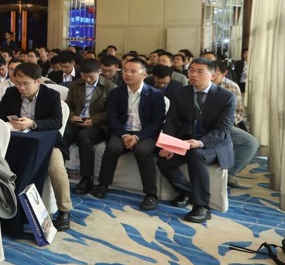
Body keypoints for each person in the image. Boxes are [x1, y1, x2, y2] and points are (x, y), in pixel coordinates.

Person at [157, 57, 236, 223]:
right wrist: (169, 144)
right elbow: (171, 120)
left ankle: (201, 206)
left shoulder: (226, 97)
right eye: (191, 70)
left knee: (196, 155)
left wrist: (200, 143)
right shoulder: (181, 93)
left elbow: (222, 130)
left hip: (213, 143)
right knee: (164, 161)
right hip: (186, 140)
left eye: (200, 71)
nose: (193, 75)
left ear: (212, 76)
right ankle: (187, 191)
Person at [0, 61, 70, 230]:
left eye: (26, 83)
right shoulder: (11, 92)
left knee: (57, 169)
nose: (21, 88)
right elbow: (0, 116)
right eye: (18, 83)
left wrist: (33, 123)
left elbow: (56, 122)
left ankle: (64, 210)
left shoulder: (51, 95)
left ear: (38, 81)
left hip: (48, 145)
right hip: (17, 144)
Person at [94, 58, 167, 210]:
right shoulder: (116, 93)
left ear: (144, 75)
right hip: (123, 131)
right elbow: (112, 118)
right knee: (112, 148)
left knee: (142, 150)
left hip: (145, 133)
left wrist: (138, 137)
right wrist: (124, 135)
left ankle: (151, 194)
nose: (127, 74)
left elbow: (157, 123)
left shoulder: (155, 95)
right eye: (125, 70)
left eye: (133, 71)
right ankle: (103, 184)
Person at [67, 59, 117, 195]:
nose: (87, 79)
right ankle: (58, 171)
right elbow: (68, 105)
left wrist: (92, 121)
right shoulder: (75, 85)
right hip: (77, 121)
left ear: (99, 72)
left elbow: (110, 111)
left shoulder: (110, 87)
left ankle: (86, 178)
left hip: (98, 125)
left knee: (84, 136)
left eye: (91, 76)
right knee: (62, 134)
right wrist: (73, 117)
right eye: (84, 76)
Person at [210, 60, 259, 185]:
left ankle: (229, 173)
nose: (211, 76)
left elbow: (238, 112)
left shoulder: (231, 87)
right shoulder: (195, 84)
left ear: (224, 73)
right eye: (209, 72)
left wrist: (225, 125)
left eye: (215, 74)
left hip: (225, 126)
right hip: (201, 126)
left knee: (250, 142)